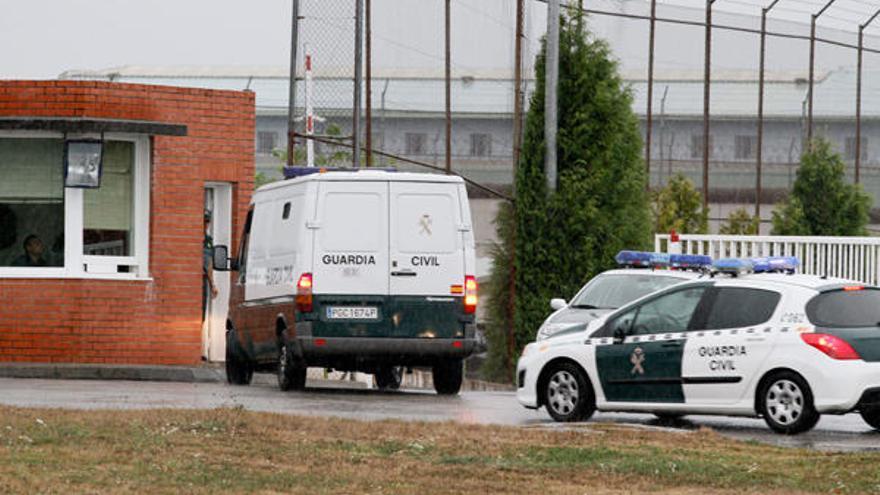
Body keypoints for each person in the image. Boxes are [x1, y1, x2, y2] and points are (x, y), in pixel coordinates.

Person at [203, 210, 218, 321]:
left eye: (207, 221)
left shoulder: (208, 241)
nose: (205, 224)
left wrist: (212, 284)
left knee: (201, 314)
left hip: (202, 281)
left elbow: (209, 264)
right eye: (203, 221)